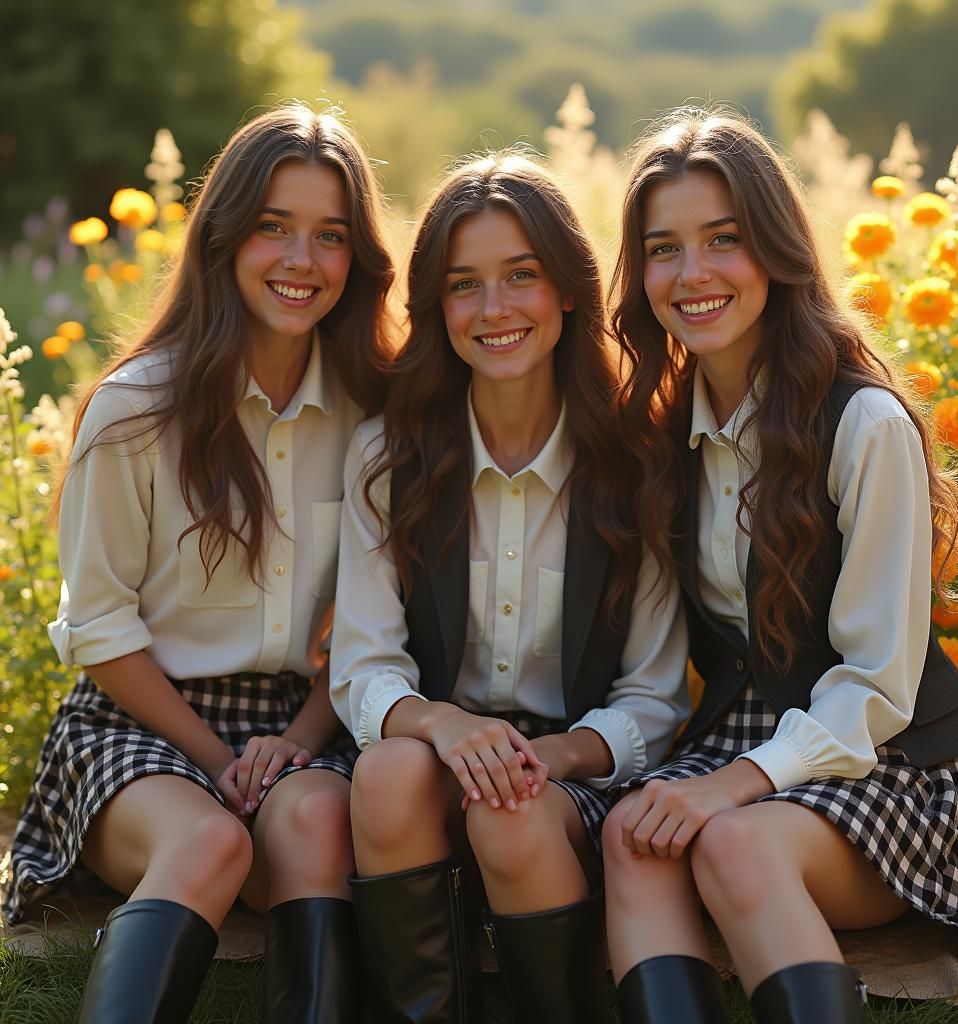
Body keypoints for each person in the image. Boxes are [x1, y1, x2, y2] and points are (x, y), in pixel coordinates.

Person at [600, 106, 958, 1024]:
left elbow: (874, 687)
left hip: (893, 764)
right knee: (634, 837)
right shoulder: (665, 438)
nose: (692, 274)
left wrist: (727, 786)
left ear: (778, 253)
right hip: (749, 744)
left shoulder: (861, 425)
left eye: (724, 240)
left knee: (733, 847)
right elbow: (664, 676)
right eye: (664, 249)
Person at [2, 103, 395, 1024]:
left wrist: (295, 743)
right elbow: (101, 631)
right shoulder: (135, 410)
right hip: (142, 720)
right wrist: (216, 759)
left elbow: (377, 622)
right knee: (213, 840)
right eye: (274, 227)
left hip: (305, 726)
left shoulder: (377, 418)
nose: (301, 261)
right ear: (222, 238)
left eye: (329, 236)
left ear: (356, 259)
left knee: (308, 821)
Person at [328, 151, 689, 1024]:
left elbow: (654, 697)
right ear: (436, 306)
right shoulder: (388, 455)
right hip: (430, 760)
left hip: (571, 777)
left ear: (567, 288)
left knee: (511, 812)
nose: (494, 311)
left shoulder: (638, 464)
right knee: (382, 776)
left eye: (520, 276)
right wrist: (446, 727)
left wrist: (555, 757)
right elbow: (362, 666)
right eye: (464, 285)